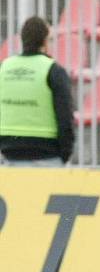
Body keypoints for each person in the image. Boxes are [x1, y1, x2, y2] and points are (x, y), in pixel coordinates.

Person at [0, 16, 75, 166]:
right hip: (47, 154)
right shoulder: (53, 70)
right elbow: (65, 116)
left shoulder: (4, 68)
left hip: (8, 153)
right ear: (45, 41)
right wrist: (65, 154)